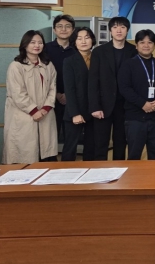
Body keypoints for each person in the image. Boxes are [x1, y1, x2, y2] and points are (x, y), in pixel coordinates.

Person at [3, 30, 57, 164]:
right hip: (24, 115)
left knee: (46, 152)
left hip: (45, 114)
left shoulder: (48, 65)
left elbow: (53, 88)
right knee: (23, 153)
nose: (37, 45)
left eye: (40, 42)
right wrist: (33, 111)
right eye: (33, 42)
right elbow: (17, 93)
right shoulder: (16, 66)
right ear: (25, 44)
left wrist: (45, 108)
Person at [88, 16, 137, 160]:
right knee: (100, 143)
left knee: (121, 142)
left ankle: (118, 170)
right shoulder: (99, 51)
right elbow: (93, 81)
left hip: (125, 105)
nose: (119, 30)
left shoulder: (134, 51)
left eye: (122, 27)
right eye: (115, 27)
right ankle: (99, 171)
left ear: (127, 30)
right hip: (103, 105)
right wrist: (95, 106)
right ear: (110, 30)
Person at [118, 30, 155, 160]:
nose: (146, 45)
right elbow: (124, 88)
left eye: (150, 42)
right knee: (134, 156)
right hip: (135, 119)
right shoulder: (128, 64)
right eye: (142, 42)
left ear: (154, 45)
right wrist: (142, 103)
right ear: (136, 45)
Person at [61, 27, 96, 161]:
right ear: (74, 42)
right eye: (79, 38)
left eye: (87, 38)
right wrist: (75, 113)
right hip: (75, 110)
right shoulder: (69, 61)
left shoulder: (98, 59)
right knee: (70, 148)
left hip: (94, 110)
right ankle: (65, 172)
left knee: (91, 148)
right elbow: (69, 89)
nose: (83, 41)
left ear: (92, 40)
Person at [45, 14, 76, 143]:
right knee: (50, 138)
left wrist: (68, 94)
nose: (63, 29)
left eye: (67, 26)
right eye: (60, 26)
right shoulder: (45, 49)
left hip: (72, 100)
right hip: (49, 100)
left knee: (71, 138)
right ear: (54, 30)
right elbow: (43, 76)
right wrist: (56, 94)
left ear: (73, 30)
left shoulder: (77, 50)